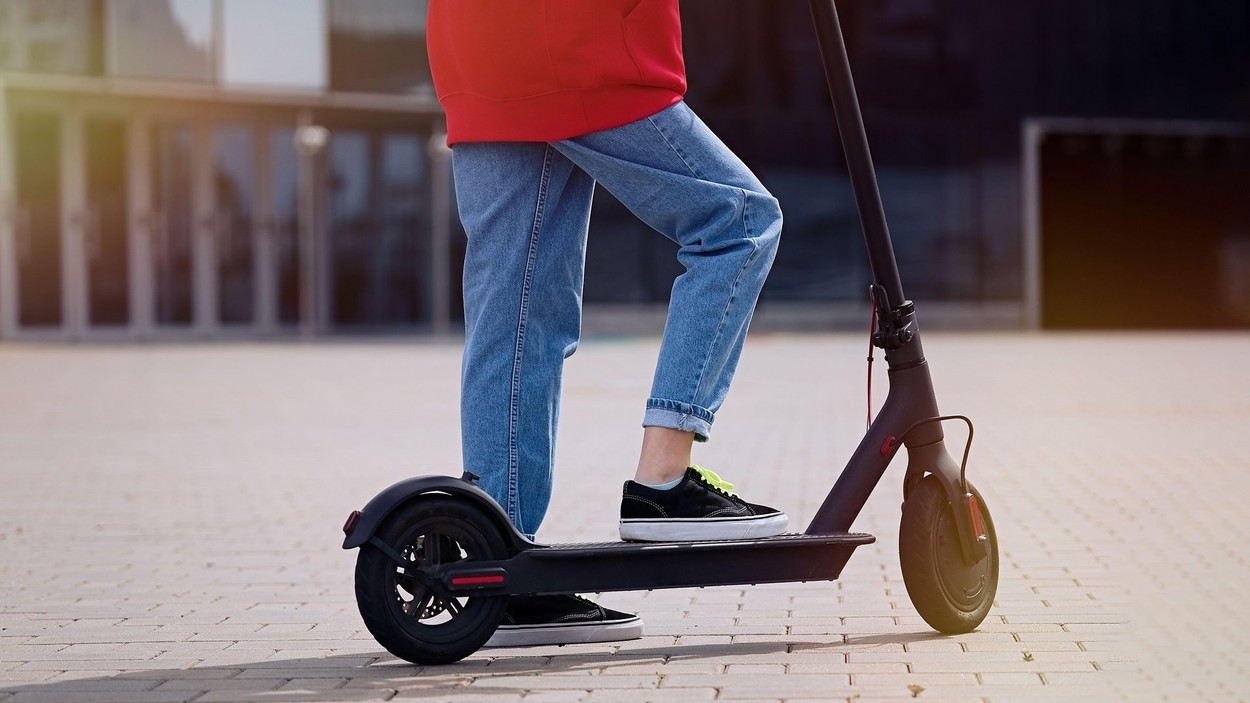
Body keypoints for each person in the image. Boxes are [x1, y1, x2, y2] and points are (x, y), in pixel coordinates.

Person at [427, 0, 788, 647]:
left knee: (516, 316)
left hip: (482, 47)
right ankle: (663, 482)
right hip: (579, 40)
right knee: (737, 225)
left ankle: (498, 566)